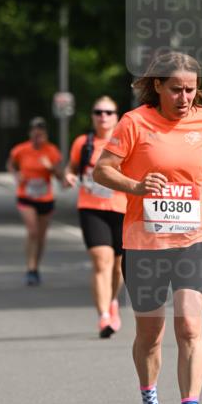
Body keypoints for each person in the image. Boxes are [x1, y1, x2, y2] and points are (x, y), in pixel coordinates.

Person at [94, 52, 202, 404]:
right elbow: (102, 170)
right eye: (176, 89)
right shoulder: (134, 122)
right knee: (150, 335)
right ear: (157, 86)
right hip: (145, 242)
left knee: (190, 325)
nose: (184, 97)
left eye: (191, 89)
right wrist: (137, 187)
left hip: (196, 236)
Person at [65, 97, 127, 337]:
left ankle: (112, 302)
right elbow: (72, 167)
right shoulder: (83, 143)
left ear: (116, 116)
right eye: (98, 112)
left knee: (119, 266)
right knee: (102, 261)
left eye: (109, 112)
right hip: (91, 206)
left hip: (122, 208)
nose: (103, 116)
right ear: (92, 116)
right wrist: (69, 175)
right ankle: (103, 317)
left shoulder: (125, 142)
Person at [7, 117, 64, 285]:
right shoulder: (21, 150)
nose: (38, 137)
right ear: (30, 133)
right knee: (32, 231)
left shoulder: (52, 151)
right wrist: (16, 175)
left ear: (46, 135)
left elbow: (60, 176)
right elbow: (10, 164)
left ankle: (36, 267)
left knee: (41, 236)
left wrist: (50, 167)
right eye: (35, 134)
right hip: (26, 196)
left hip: (45, 197)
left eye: (41, 134)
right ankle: (30, 268)